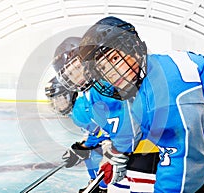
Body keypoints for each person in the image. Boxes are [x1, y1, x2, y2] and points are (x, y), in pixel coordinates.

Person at [79, 16, 204, 193]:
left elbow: (183, 162)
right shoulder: (147, 82)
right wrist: (117, 154)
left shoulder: (167, 87)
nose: (112, 72)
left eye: (115, 58)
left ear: (133, 48)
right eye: (102, 69)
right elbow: (136, 127)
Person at [52, 36, 160, 192]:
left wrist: (115, 153)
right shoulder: (92, 91)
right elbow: (104, 129)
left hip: (145, 151)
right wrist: (84, 147)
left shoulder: (108, 84)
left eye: (77, 68)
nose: (76, 78)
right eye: (70, 74)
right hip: (134, 152)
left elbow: (128, 124)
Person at [45, 76, 109, 193]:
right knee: (90, 154)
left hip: (116, 139)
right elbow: (93, 132)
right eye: (53, 100)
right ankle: (96, 183)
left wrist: (83, 148)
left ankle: (102, 186)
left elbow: (102, 132)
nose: (56, 104)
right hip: (110, 136)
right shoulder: (76, 108)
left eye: (59, 99)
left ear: (69, 95)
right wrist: (82, 147)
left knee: (94, 155)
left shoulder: (78, 111)